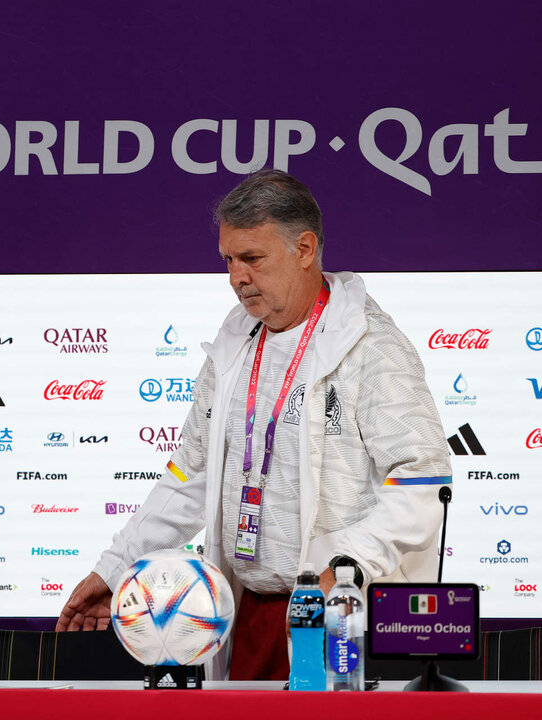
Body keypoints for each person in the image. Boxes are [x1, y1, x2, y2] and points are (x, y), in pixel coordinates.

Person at [56, 169, 452, 680]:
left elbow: (423, 484)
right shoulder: (235, 342)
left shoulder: (372, 349)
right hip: (245, 618)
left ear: (305, 249)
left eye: (252, 259)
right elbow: (189, 476)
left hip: (336, 623)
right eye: (228, 259)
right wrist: (114, 569)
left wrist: (344, 572)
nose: (235, 277)